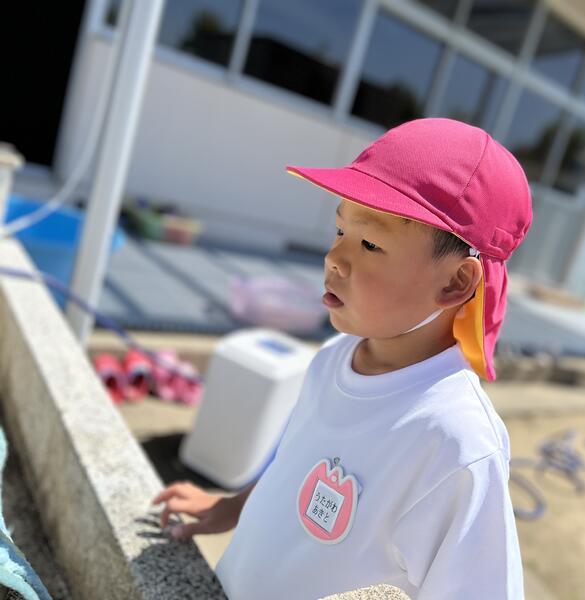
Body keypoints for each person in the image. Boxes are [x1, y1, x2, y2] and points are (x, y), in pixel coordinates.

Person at [152, 118, 533, 599]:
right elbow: (293, 464)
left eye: (370, 243)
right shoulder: (334, 357)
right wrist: (233, 507)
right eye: (339, 229)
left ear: (456, 282)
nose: (335, 257)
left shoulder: (455, 443)